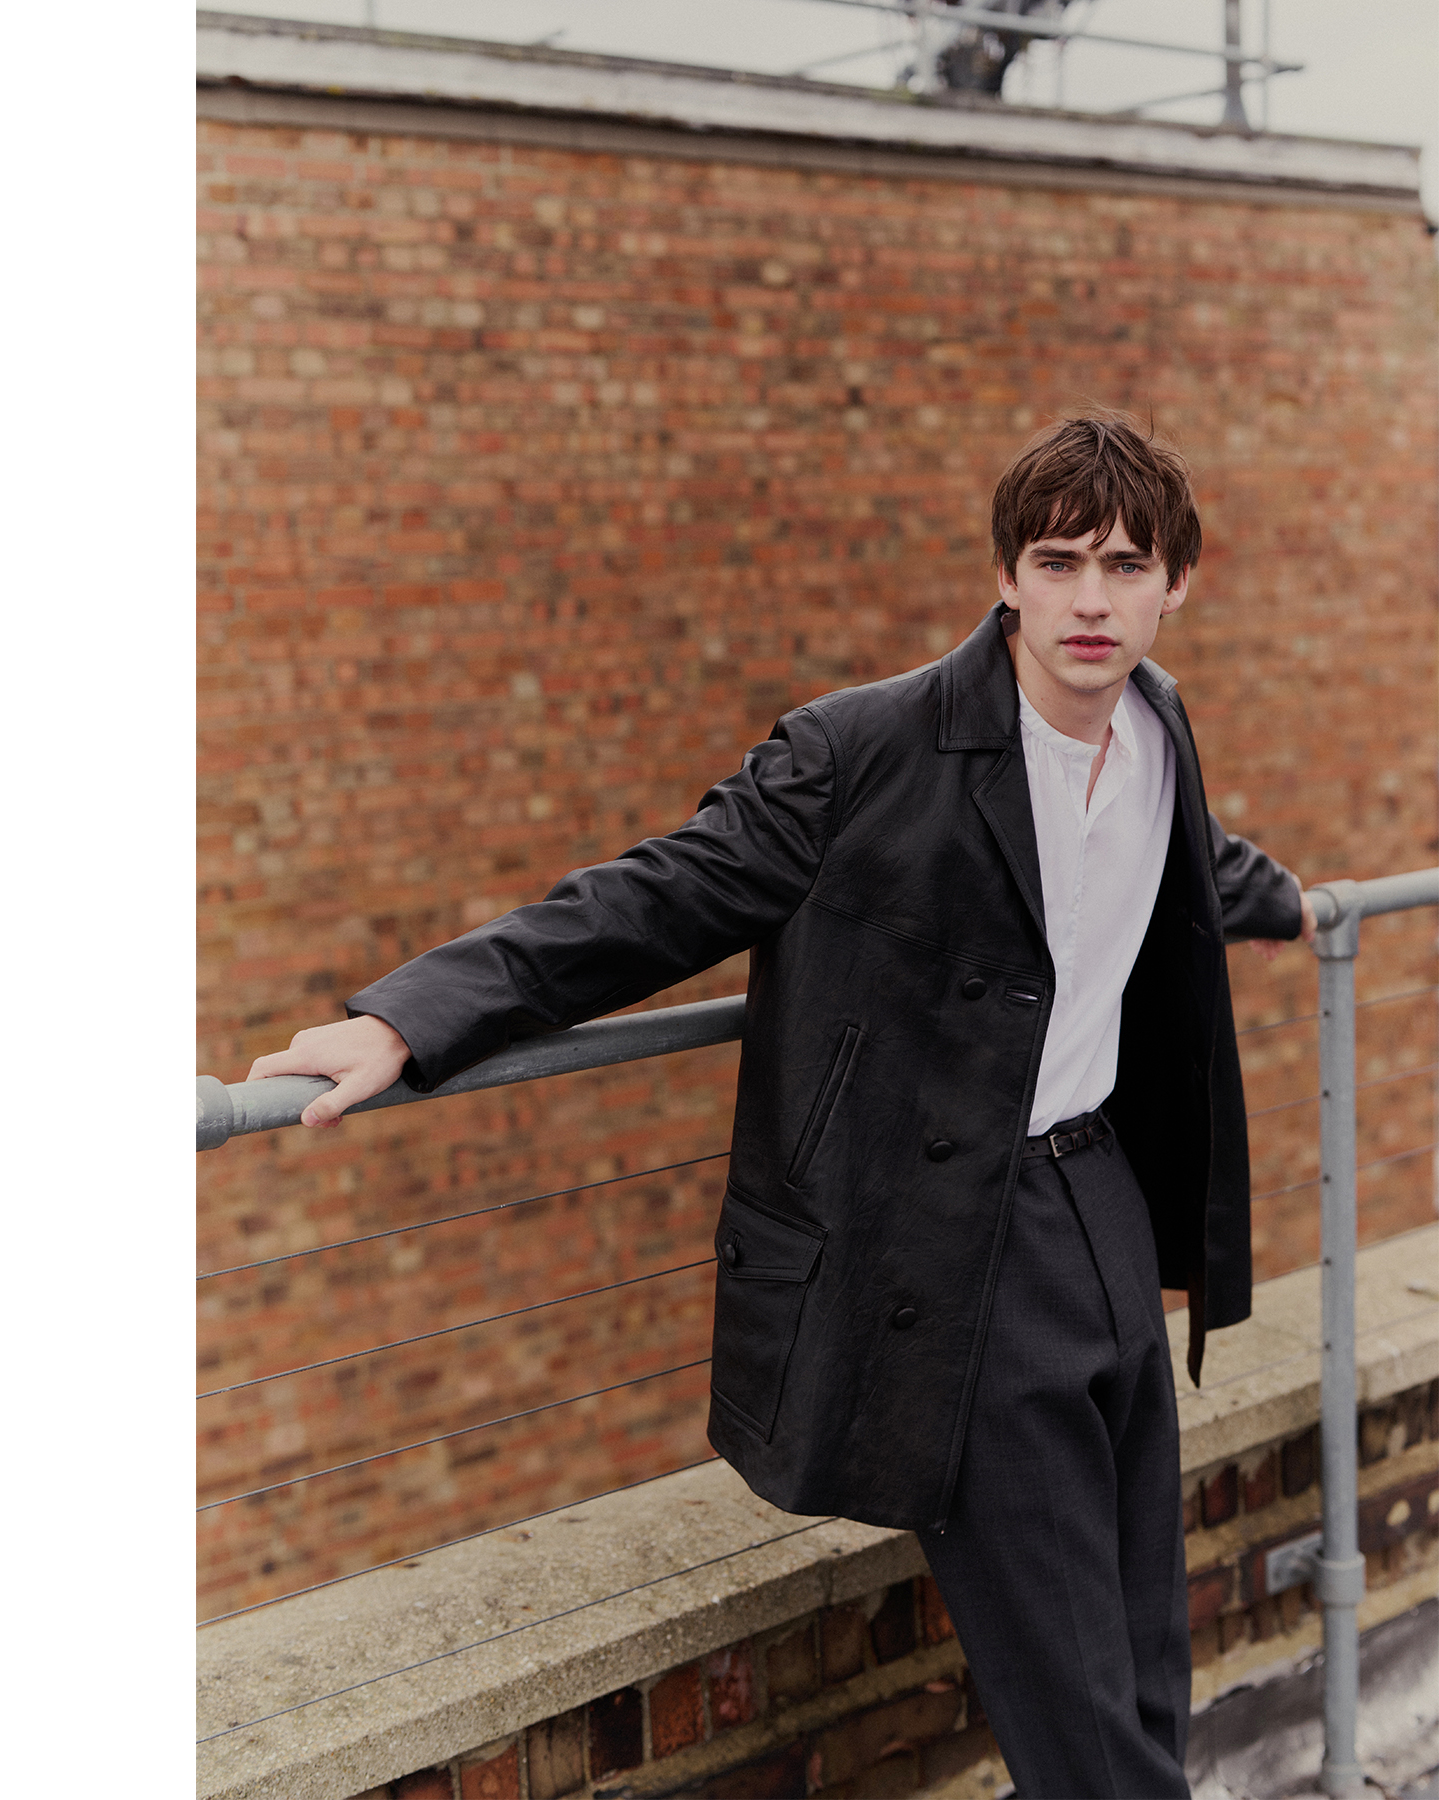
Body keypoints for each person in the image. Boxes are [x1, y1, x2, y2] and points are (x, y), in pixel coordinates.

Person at [245, 413, 1316, 1797]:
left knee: (1145, 1661)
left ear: (1180, 583)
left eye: (1124, 564)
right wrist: (409, 1015)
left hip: (1102, 1203)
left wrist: (1284, 899)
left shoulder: (1157, 723)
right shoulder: (863, 749)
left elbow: (1183, 860)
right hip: (962, 1257)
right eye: (1058, 563)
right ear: (1006, 576)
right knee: (1084, 1730)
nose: (1091, 600)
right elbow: (654, 894)